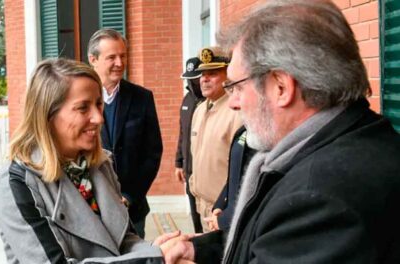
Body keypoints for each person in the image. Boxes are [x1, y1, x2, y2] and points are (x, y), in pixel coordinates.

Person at [164, 0, 400, 263]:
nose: (233, 102)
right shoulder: (354, 138)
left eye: (237, 87)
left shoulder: (318, 197)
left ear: (281, 87)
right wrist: (198, 249)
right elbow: (270, 236)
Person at [0, 59, 166, 263]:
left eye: (98, 104)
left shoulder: (102, 165)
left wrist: (159, 251)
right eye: (83, 108)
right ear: (47, 115)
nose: (99, 118)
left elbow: (124, 238)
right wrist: (154, 259)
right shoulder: (16, 182)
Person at [88, 29, 163, 238]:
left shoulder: (142, 98)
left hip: (133, 210)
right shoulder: (78, 100)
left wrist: (130, 195)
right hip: (90, 211)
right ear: (93, 59)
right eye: (112, 57)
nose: (119, 63)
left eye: (123, 56)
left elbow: (152, 154)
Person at [189, 47, 241, 232]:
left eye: (213, 73)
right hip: (201, 206)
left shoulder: (237, 112)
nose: (204, 79)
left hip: (223, 210)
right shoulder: (200, 109)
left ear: (229, 74)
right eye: (203, 74)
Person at [205, 125, 256, 232]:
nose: (234, 107)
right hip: (230, 218)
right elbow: (234, 175)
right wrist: (220, 205)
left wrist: (224, 219)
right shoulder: (244, 130)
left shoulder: (266, 135)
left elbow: (255, 187)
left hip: (245, 223)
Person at [175, 56, 205, 233]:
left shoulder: (208, 102)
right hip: (189, 169)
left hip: (205, 173)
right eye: (190, 79)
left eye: (196, 78)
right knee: (195, 217)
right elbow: (182, 133)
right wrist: (179, 163)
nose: (193, 82)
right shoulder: (187, 100)